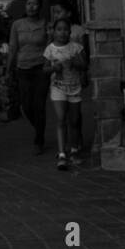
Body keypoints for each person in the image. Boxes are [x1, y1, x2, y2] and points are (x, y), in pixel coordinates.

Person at [8, 0, 50, 154]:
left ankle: (39, 139)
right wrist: (9, 68)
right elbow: (13, 47)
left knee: (39, 105)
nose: (31, 7)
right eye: (28, 4)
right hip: (22, 68)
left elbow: (50, 46)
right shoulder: (17, 25)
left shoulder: (45, 24)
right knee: (26, 106)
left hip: (41, 67)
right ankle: (39, 127)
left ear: (40, 7)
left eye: (35, 4)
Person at [43, 18, 86, 170]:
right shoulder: (50, 49)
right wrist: (54, 68)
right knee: (61, 119)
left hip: (74, 88)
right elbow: (45, 69)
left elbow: (84, 65)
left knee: (74, 120)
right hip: (58, 88)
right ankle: (62, 153)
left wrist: (73, 63)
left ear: (70, 32)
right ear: (54, 32)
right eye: (59, 29)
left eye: (65, 29)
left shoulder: (76, 48)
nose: (62, 32)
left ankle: (74, 149)